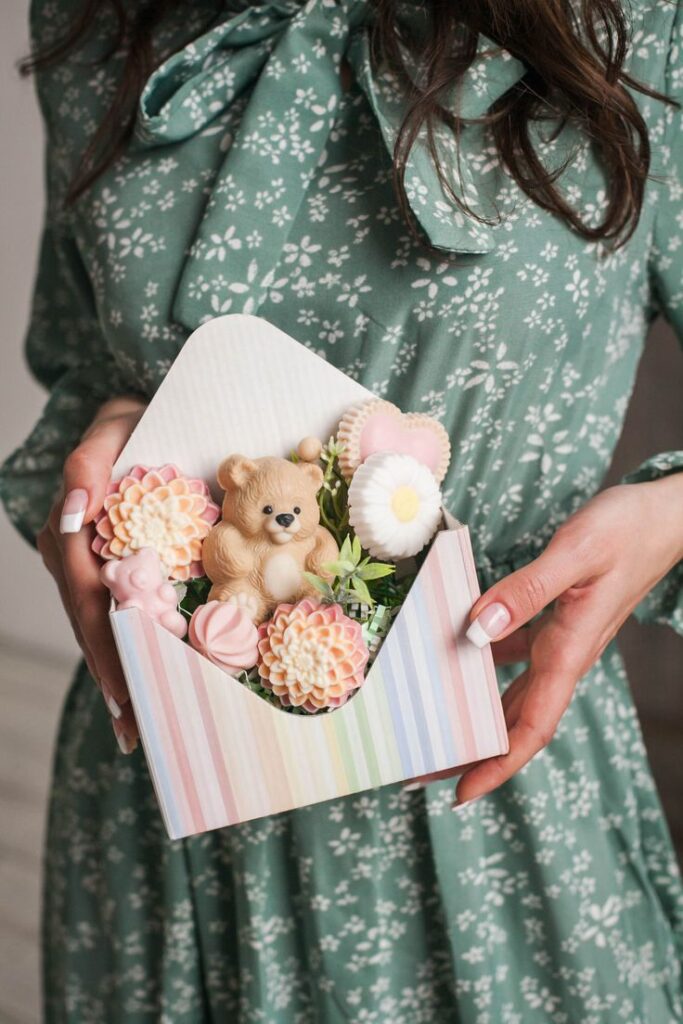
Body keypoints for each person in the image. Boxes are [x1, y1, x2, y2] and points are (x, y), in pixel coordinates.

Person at [1, 0, 682, 1019]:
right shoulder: (98, 18)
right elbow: (79, 358)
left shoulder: (646, 21)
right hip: (165, 809)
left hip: (485, 805)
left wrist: (667, 521)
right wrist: (105, 444)